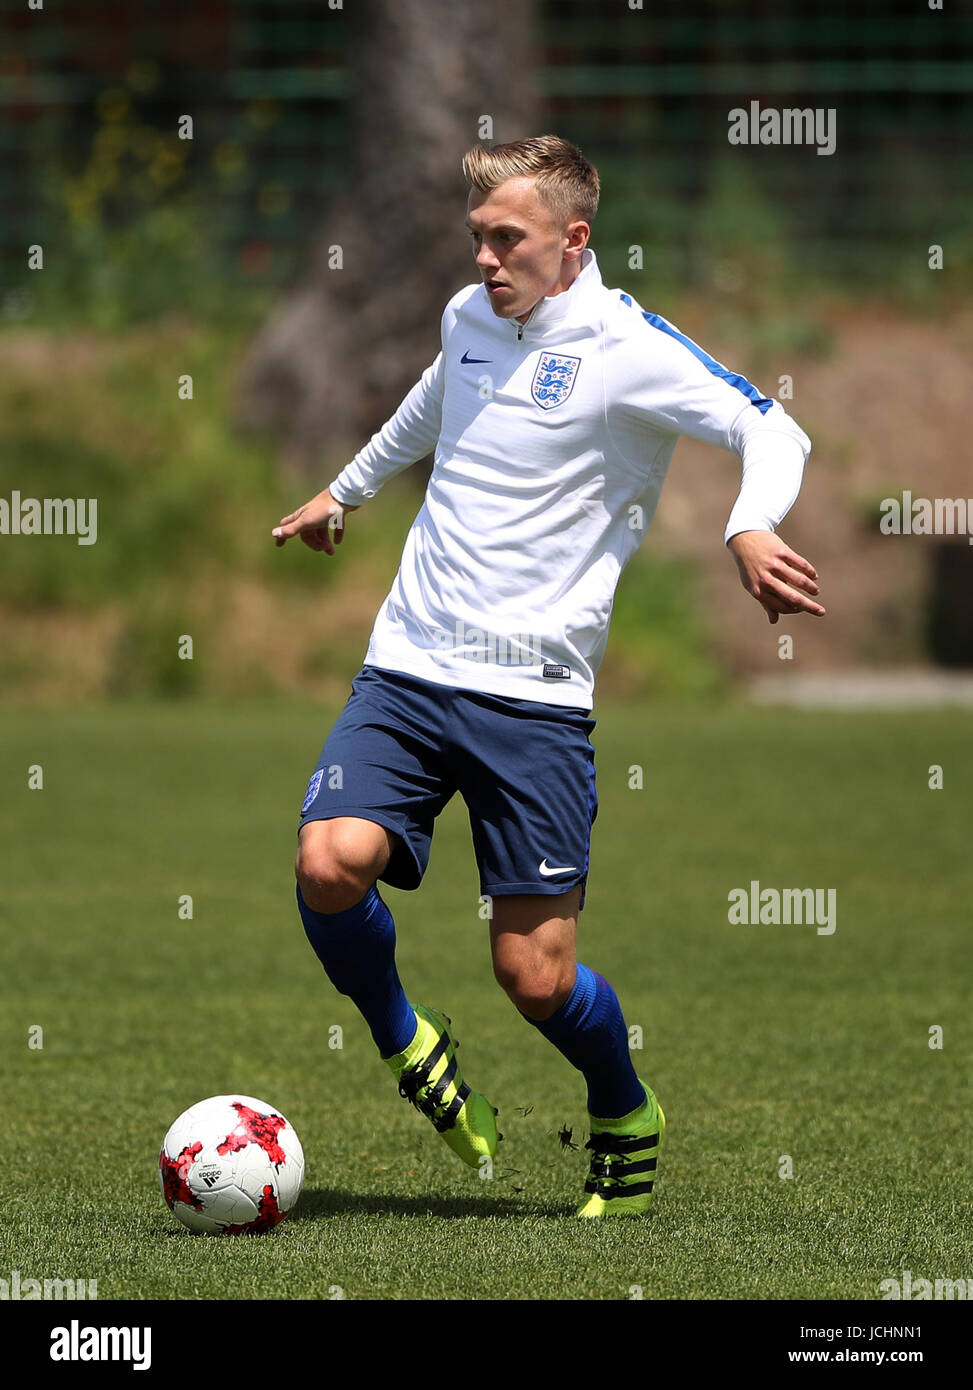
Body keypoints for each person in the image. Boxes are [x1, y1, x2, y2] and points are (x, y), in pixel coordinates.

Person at [272, 134, 824, 1218]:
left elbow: (774, 425)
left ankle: (622, 1105)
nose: (484, 258)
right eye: (476, 236)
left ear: (573, 243)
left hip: (534, 703)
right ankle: (404, 1039)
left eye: (506, 238)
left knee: (533, 976)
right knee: (329, 861)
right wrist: (344, 492)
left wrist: (748, 525)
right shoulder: (468, 317)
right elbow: (432, 404)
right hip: (410, 666)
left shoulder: (630, 349)